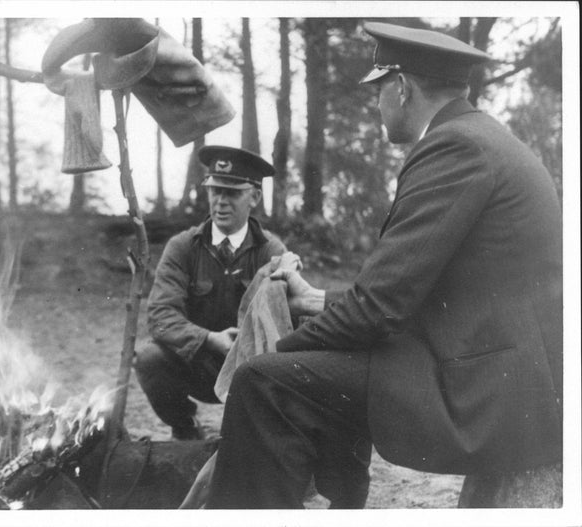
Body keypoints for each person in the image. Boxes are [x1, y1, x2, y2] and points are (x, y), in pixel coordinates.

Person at [206, 22, 563, 508]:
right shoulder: (481, 137)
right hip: (500, 372)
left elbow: (379, 308)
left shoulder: (454, 147)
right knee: (320, 372)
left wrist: (279, 346)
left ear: (401, 87)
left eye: (378, 92)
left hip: (484, 395)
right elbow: (420, 290)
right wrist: (313, 300)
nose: (377, 105)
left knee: (263, 380)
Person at [134, 146, 286, 440]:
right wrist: (209, 340)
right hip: (198, 362)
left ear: (253, 197)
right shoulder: (183, 246)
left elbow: (286, 322)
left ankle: (261, 437)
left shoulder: (271, 250)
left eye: (232, 193)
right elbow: (161, 316)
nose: (220, 202)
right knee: (150, 358)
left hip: (251, 367)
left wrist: (246, 346)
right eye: (215, 191)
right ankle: (185, 428)